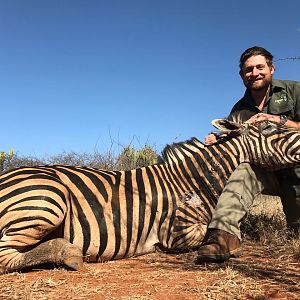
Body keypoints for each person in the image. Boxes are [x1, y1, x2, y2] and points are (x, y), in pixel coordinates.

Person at [197, 46, 300, 263]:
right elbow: (233, 140)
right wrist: (216, 139)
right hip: (264, 171)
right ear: (242, 75)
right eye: (248, 69)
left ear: (272, 69)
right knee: (243, 171)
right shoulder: (239, 109)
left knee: (297, 232)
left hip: (296, 170)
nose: (254, 73)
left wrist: (279, 121)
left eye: (260, 67)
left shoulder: (294, 91)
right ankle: (223, 236)